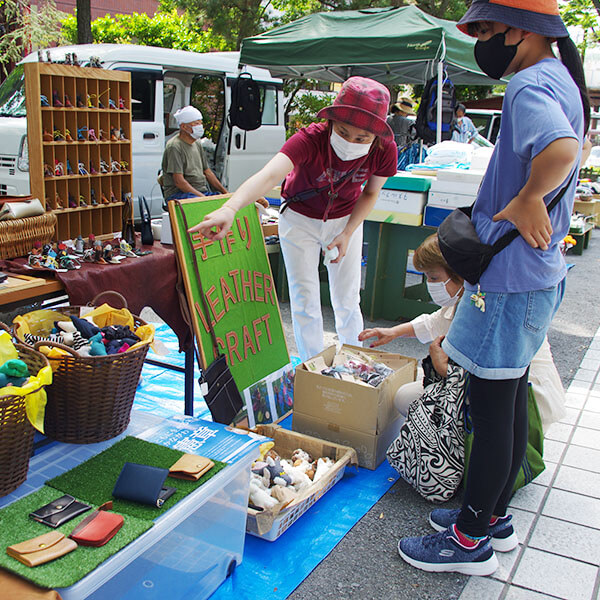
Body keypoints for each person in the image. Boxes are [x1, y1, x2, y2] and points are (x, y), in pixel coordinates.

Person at [395, 0, 590, 576]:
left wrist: (529, 198)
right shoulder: (560, 78)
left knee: (491, 410)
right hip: (530, 278)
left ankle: (470, 538)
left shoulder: (530, 86)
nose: (479, 41)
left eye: (483, 30)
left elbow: (560, 149)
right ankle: (493, 515)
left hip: (508, 284)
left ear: (517, 29)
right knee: (503, 402)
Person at [189, 77, 398, 361]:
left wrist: (348, 232)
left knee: (348, 298)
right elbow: (271, 174)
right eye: (343, 131)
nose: (351, 142)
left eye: (362, 138)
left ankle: (354, 361)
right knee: (305, 298)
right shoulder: (311, 139)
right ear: (331, 122)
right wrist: (232, 207)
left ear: (376, 136)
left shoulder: (385, 150)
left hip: (345, 219)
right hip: (300, 218)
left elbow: (371, 193)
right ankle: (315, 365)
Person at [358, 233, 565, 427]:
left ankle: (462, 452)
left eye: (434, 278)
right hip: (493, 391)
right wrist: (393, 332)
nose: (430, 285)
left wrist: (443, 369)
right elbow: (434, 322)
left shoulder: (484, 307)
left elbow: (484, 370)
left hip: (524, 398)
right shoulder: (471, 296)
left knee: (494, 443)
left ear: (459, 273)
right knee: (407, 397)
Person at [161, 106, 227, 201]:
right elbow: (179, 182)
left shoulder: (197, 143)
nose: (200, 126)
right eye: (196, 124)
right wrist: (202, 198)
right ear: (183, 127)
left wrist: (225, 192)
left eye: (200, 123)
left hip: (200, 192)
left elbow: (208, 172)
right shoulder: (174, 146)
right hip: (179, 195)